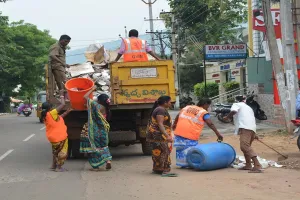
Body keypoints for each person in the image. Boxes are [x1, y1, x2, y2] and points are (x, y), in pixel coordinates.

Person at [172, 98, 224, 168]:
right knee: (190, 149)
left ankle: (182, 164)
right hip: (190, 134)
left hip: (179, 132)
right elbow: (210, 123)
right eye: (208, 106)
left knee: (181, 149)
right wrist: (218, 134)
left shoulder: (187, 107)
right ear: (205, 104)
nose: (208, 108)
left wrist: (174, 124)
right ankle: (190, 164)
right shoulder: (203, 112)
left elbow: (178, 115)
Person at [224, 95, 262, 173]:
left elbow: (234, 111)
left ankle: (257, 165)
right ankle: (248, 164)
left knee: (244, 146)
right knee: (247, 147)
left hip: (245, 127)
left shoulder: (236, 104)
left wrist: (227, 117)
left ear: (237, 100)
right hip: (252, 128)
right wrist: (254, 133)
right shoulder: (248, 107)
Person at [80, 86, 112, 171]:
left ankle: (96, 165)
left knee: (94, 148)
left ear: (99, 100)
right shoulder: (106, 108)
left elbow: (85, 97)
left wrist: (92, 89)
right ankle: (108, 161)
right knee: (104, 146)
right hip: (103, 131)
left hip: (94, 131)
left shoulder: (95, 105)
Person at [41, 90, 72, 172]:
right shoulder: (51, 113)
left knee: (55, 151)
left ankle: (53, 165)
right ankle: (59, 167)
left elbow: (59, 118)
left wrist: (67, 112)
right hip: (60, 137)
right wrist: (62, 95)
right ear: (50, 108)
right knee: (63, 152)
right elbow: (63, 104)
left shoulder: (46, 116)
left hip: (53, 137)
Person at [146, 96, 177, 177]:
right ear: (165, 102)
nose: (171, 103)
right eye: (170, 102)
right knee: (164, 151)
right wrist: (167, 136)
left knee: (158, 151)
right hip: (158, 135)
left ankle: (157, 168)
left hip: (156, 134)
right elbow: (160, 124)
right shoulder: (160, 110)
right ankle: (164, 170)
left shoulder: (160, 109)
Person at [49, 35, 71, 99]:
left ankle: (65, 97)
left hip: (60, 66)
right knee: (63, 82)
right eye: (66, 41)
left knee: (63, 83)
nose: (67, 43)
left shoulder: (62, 47)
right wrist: (63, 63)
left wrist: (64, 64)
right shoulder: (56, 46)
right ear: (61, 40)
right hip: (57, 66)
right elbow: (52, 56)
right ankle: (65, 98)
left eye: (68, 42)